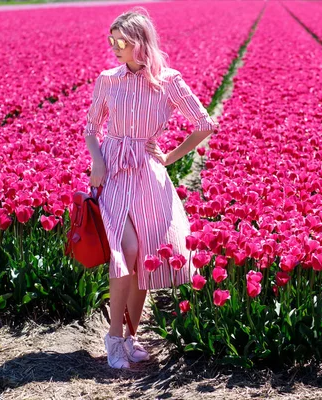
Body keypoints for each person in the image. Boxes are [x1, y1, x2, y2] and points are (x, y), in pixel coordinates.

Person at [83, 7, 219, 370]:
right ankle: (113, 338)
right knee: (125, 250)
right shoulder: (108, 79)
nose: (114, 47)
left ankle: (130, 338)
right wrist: (97, 160)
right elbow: (90, 129)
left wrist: (170, 157)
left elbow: (204, 124)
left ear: (139, 43)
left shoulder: (169, 80)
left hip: (148, 175)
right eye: (111, 40)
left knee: (143, 255)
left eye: (121, 41)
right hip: (112, 170)